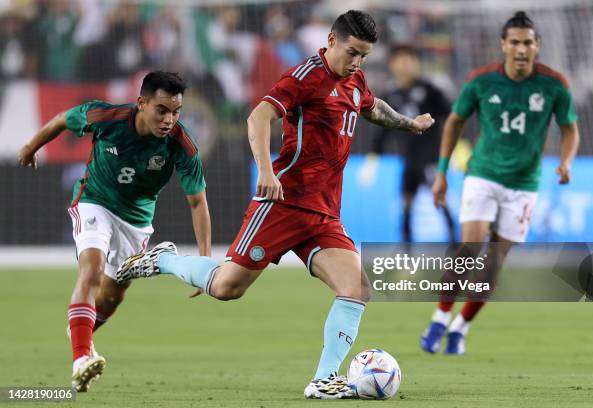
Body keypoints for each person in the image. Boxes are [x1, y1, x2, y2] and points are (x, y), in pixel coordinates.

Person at [116, 10, 434, 399]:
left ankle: (324, 379)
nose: (356, 62)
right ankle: (163, 259)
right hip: (282, 202)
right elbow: (258, 116)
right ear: (331, 40)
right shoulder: (304, 77)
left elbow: (371, 107)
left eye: (364, 56)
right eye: (352, 52)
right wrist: (266, 170)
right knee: (227, 287)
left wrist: (409, 123)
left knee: (356, 286)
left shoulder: (354, 80)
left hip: (323, 213)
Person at [18, 71, 211, 392]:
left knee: (112, 294)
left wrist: (205, 262)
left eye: (176, 112)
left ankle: (81, 329)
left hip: (136, 222)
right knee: (91, 271)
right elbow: (63, 120)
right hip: (94, 201)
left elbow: (198, 203)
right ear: (141, 103)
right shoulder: (107, 117)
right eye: (162, 110)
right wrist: (30, 147)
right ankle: (81, 357)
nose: (169, 119)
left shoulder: (182, 144)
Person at [420, 11, 580, 355]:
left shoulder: (554, 84)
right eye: (515, 42)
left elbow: (570, 129)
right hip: (483, 174)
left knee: (495, 260)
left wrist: (566, 161)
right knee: (470, 248)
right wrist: (444, 173)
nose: (521, 49)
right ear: (503, 45)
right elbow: (454, 123)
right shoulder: (481, 80)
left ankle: (460, 328)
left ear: (537, 46)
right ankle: (439, 318)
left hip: (524, 183)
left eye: (528, 42)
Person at [364, 44, 456, 243]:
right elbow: (382, 129)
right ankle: (407, 252)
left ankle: (456, 247)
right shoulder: (390, 95)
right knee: (406, 205)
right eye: (400, 61)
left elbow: (451, 116)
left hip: (431, 158)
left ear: (416, 64)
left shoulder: (429, 90)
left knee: (440, 200)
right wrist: (373, 158)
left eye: (409, 61)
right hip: (408, 161)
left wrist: (459, 146)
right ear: (392, 65)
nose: (405, 66)